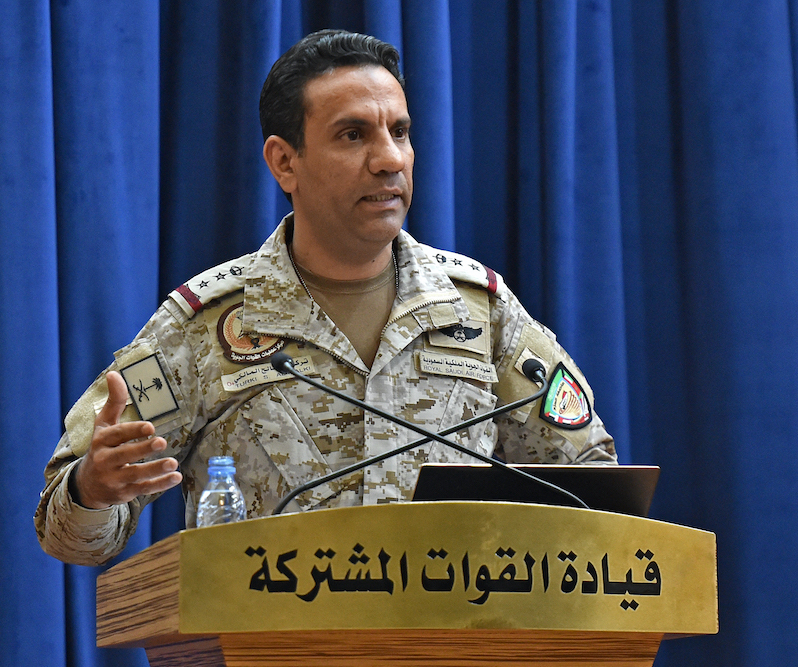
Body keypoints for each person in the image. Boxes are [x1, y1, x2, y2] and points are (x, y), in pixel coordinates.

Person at [35, 29, 616, 567]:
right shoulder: (203, 326)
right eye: (353, 134)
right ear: (285, 162)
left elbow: (594, 484)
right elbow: (66, 532)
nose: (389, 158)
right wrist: (92, 487)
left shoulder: (478, 310)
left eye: (401, 132)